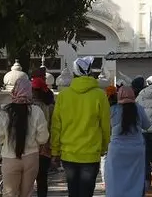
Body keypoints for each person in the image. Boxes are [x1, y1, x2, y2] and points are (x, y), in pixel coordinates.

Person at [51, 56, 111, 197]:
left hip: (68, 153)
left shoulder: (63, 95)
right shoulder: (100, 95)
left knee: (73, 192)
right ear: (90, 72)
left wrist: (55, 151)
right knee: (86, 193)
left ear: (74, 73)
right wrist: (104, 147)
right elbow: (105, 126)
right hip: (91, 154)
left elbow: (56, 126)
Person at [0, 78, 50, 197]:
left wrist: (6, 141)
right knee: (27, 193)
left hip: (10, 158)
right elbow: (43, 138)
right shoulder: (36, 111)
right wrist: (35, 141)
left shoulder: (5, 113)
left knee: (9, 193)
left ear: (14, 91)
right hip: (31, 157)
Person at [103, 86, 150, 196]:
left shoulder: (113, 109)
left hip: (117, 149)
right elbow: (147, 125)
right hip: (136, 149)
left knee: (115, 179)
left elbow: (107, 128)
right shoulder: (138, 108)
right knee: (135, 178)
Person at [31, 75, 55, 197]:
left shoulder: (28, 107)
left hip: (30, 148)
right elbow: (53, 127)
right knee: (42, 178)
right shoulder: (50, 106)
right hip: (45, 149)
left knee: (28, 179)